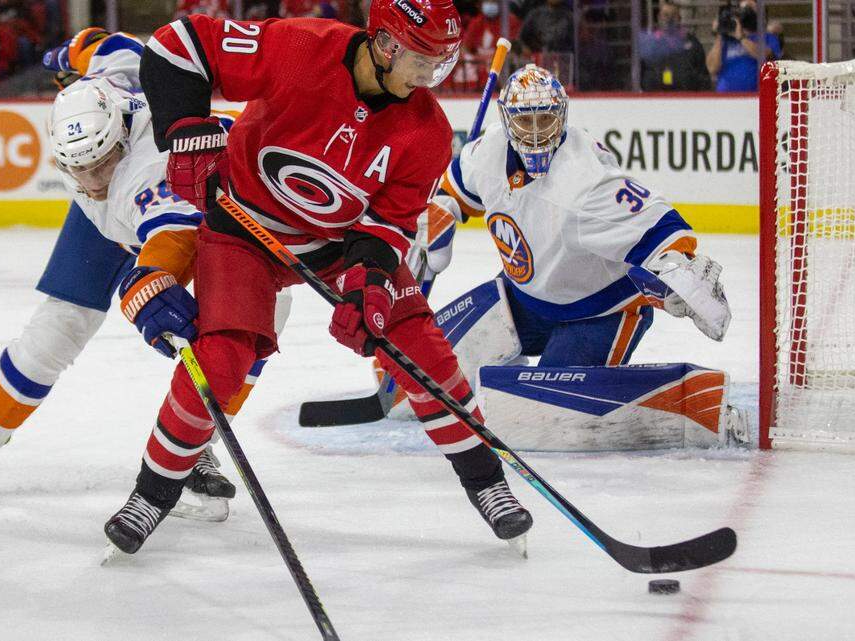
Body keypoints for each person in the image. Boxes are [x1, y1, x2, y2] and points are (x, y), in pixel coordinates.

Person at [104, 0, 534, 554]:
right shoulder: (300, 47)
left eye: (441, 62)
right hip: (243, 226)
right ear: (384, 45)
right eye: (424, 61)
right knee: (221, 358)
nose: (432, 77)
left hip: (338, 244)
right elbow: (174, 45)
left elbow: (388, 226)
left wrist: (370, 286)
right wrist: (188, 130)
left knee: (418, 347)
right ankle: (152, 493)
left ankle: (487, 483)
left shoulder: (427, 130)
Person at [0, 28, 273, 522]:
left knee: (248, 329)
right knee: (57, 328)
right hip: (112, 226)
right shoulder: (111, 82)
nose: (91, 182)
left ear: (123, 134)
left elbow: (170, 241)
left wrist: (149, 283)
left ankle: (194, 447)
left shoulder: (148, 172)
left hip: (201, 220)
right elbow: (109, 44)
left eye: (102, 164)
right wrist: (68, 52)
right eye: (76, 169)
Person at [411, 64, 739, 447]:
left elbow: (659, 225)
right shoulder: (489, 149)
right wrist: (442, 210)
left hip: (598, 313)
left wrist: (681, 269)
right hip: (523, 298)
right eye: (524, 120)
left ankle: (687, 399)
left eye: (545, 119)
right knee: (427, 367)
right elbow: (456, 185)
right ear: (506, 119)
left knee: (538, 416)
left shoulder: (584, 182)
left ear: (563, 115)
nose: (535, 133)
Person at [705, 0, 780, 92]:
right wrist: (720, 34)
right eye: (742, 8)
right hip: (725, 99)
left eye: (749, 8)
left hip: (754, 98)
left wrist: (741, 38)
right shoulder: (727, 40)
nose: (745, 11)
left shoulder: (768, 37)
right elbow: (712, 68)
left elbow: (765, 56)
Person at [638, 0, 709, 91]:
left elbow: (703, 77)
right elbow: (640, 76)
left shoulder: (693, 43)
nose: (669, 19)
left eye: (673, 15)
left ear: (679, 19)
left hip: (687, 100)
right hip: (656, 100)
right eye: (666, 15)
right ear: (659, 17)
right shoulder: (649, 43)